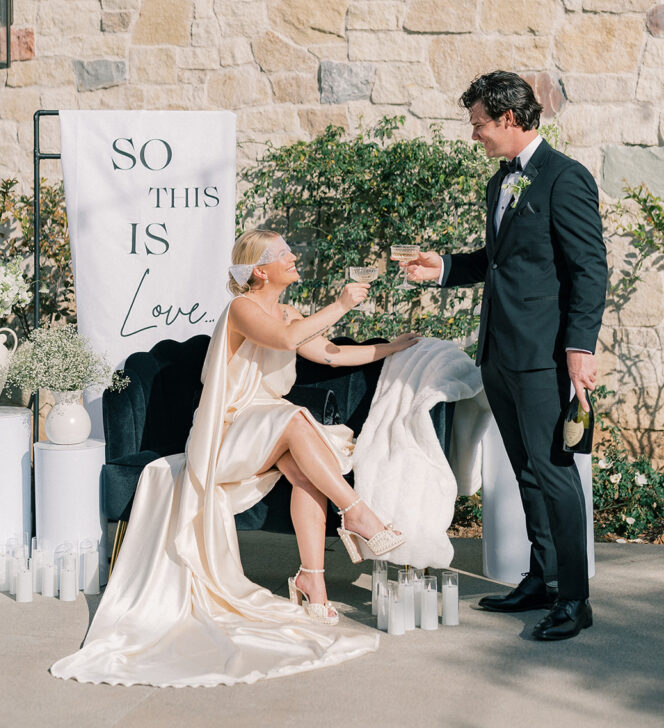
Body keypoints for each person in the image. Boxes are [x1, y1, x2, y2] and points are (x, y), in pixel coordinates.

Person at [51, 229, 419, 687]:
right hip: (223, 437)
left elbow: (329, 353)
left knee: (304, 467)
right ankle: (358, 513)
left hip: (266, 429)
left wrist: (393, 349)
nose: (293, 256)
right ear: (260, 270)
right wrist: (341, 304)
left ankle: (313, 582)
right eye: (283, 253)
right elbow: (285, 341)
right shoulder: (243, 309)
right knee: (295, 421)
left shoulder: (288, 310)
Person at [403, 71, 607, 642]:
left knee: (556, 473)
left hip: (544, 358)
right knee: (525, 471)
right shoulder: (501, 183)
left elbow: (590, 271)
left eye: (480, 124)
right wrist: (440, 267)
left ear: (511, 119)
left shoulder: (566, 179)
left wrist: (579, 349)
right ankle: (540, 580)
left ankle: (575, 599)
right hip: (499, 352)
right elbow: (494, 261)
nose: (476, 135)